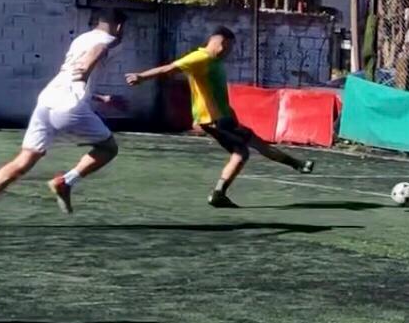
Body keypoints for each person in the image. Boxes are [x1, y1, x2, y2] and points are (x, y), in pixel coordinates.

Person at [0, 9, 130, 226]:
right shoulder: (109, 39)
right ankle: (66, 182)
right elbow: (99, 49)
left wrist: (100, 96)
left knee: (25, 159)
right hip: (69, 106)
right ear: (119, 26)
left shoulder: (81, 39)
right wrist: (88, 66)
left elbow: (70, 76)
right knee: (108, 148)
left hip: (47, 101)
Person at [124, 27, 314, 208]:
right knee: (246, 148)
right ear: (221, 43)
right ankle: (294, 166)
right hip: (214, 119)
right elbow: (170, 68)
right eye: (229, 47)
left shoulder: (215, 62)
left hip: (223, 118)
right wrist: (141, 76)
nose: (228, 52)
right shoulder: (200, 58)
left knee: (248, 147)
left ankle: (223, 192)